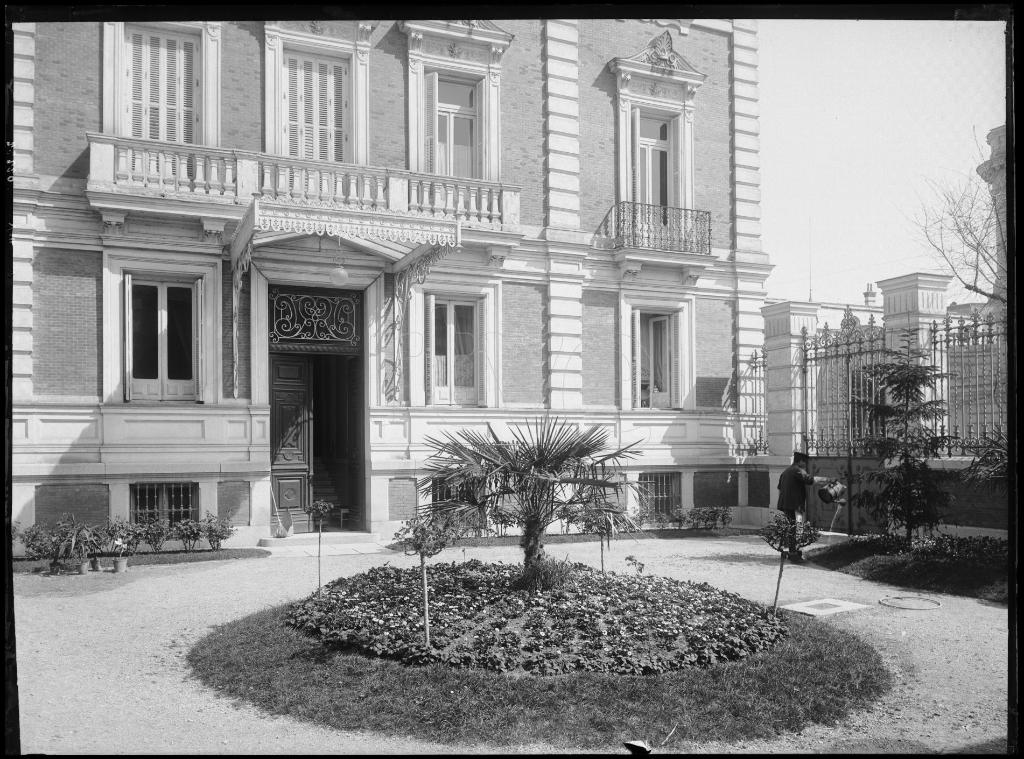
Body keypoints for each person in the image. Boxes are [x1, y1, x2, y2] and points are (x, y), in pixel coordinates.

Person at [776, 452, 829, 562]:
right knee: (796, 528)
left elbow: (779, 487)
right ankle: (793, 553)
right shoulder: (798, 470)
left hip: (786, 504)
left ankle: (789, 550)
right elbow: (810, 480)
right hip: (795, 505)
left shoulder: (786, 471)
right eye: (805, 462)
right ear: (800, 461)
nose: (806, 464)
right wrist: (828, 480)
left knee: (791, 527)